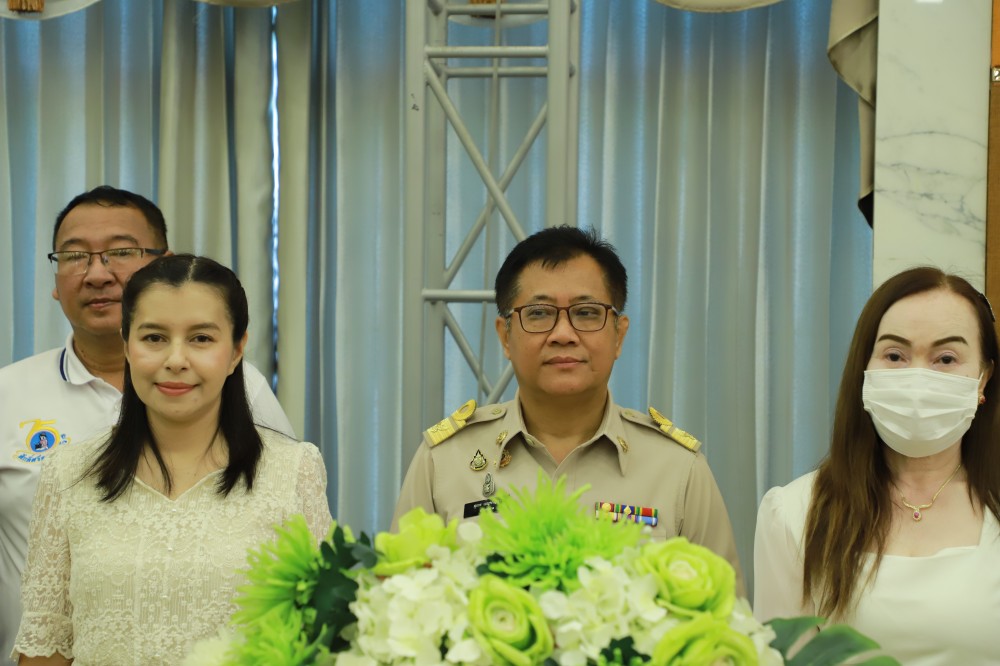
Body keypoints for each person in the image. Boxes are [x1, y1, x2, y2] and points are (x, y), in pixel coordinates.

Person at [0, 186, 295, 663]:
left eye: (120, 252)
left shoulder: (242, 391)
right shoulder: (8, 396)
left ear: (163, 265)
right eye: (75, 255)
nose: (97, 273)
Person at [393, 226, 743, 589]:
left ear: (619, 334)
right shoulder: (444, 463)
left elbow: (723, 614)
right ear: (505, 336)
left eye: (587, 313)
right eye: (539, 313)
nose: (563, 334)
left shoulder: (678, 470)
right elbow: (399, 606)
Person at [753, 267, 1000, 665]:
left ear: (983, 378)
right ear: (864, 370)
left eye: (946, 358)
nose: (918, 378)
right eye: (895, 356)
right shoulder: (795, 513)